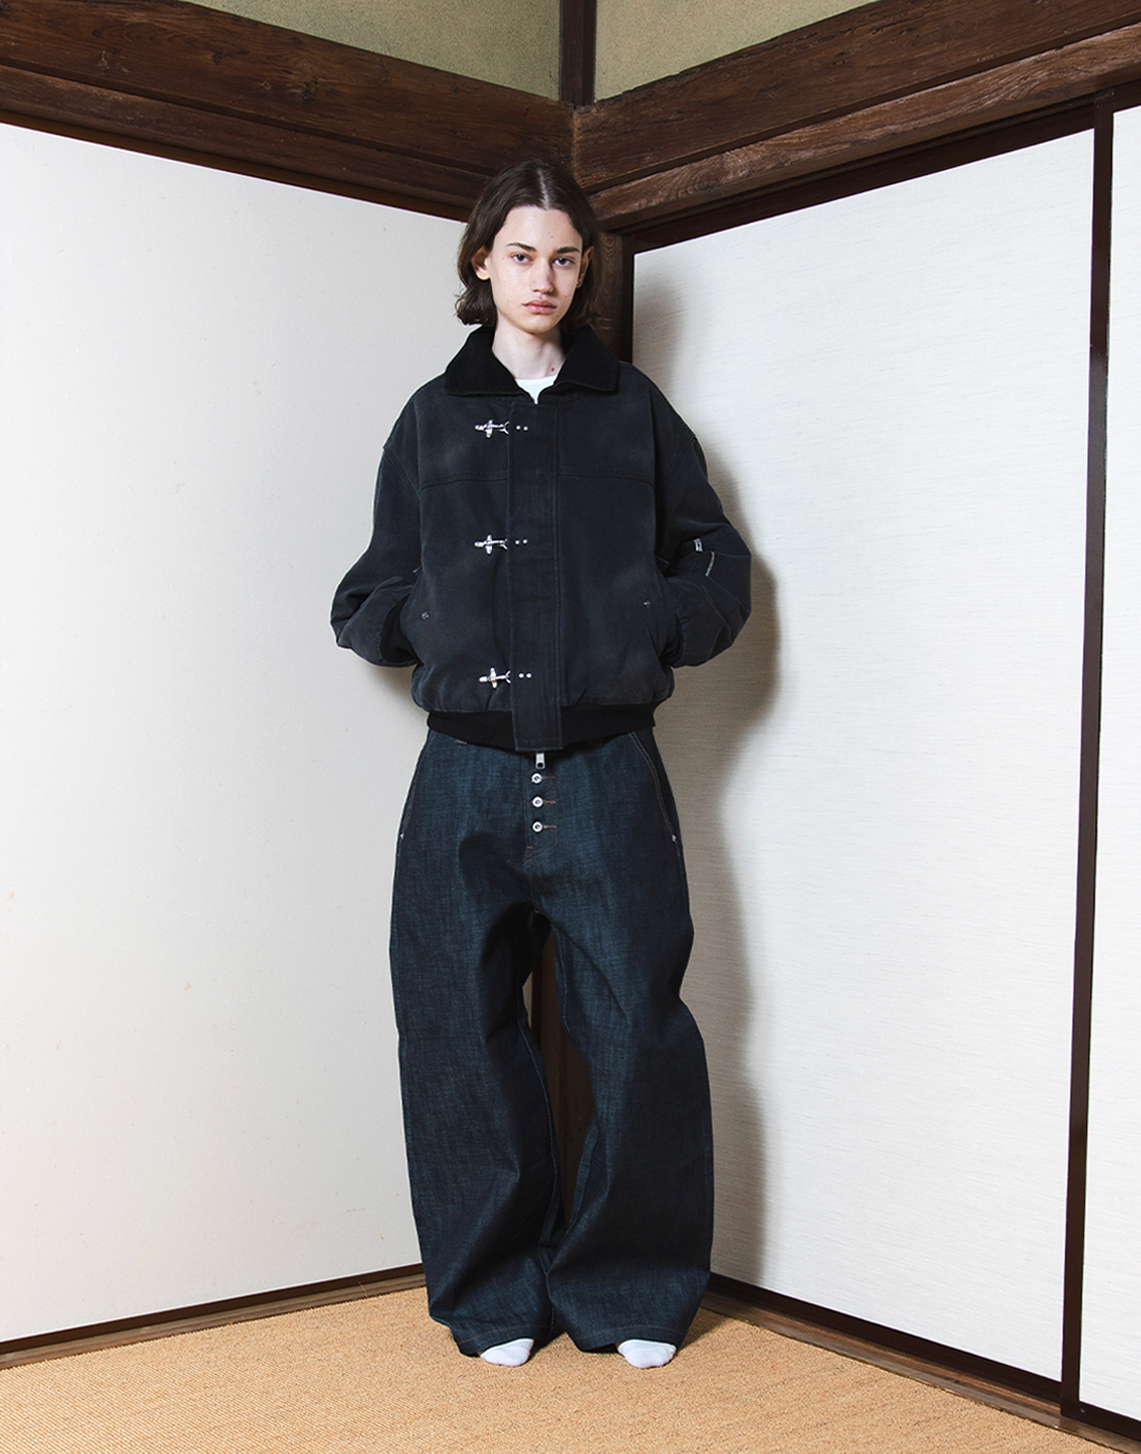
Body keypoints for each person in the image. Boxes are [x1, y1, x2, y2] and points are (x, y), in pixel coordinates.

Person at [331, 159, 750, 1370]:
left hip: (609, 766)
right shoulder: (430, 417)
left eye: (566, 257)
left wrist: (646, 625)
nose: (544, 277)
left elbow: (718, 564)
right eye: (522, 254)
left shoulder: (634, 411)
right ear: (483, 262)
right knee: (455, 1031)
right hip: (462, 773)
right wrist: (436, 621)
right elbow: (365, 596)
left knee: (638, 1030)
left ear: (586, 270)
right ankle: (494, 1292)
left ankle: (631, 1288)